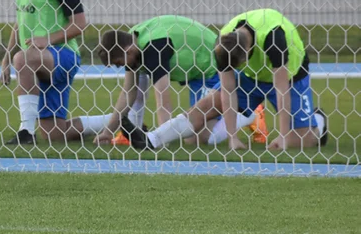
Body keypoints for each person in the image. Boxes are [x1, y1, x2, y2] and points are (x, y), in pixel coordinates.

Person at [123, 9, 329, 152]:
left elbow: (281, 89)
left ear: (249, 52)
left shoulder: (275, 39)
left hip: (290, 78)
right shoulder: (225, 41)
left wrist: (283, 136)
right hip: (250, 78)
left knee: (304, 140)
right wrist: (233, 138)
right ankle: (152, 139)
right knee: (199, 130)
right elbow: (229, 91)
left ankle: (318, 119)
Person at [0, 0, 107, 145]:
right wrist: (5, 59)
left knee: (24, 58)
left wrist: (46, 40)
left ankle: (25, 131)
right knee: (54, 134)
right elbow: (19, 23)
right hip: (39, 61)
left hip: (62, 56)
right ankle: (116, 121)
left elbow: (80, 24)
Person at [94, 16, 255, 147]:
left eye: (118, 63)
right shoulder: (131, 42)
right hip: (194, 73)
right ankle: (239, 111)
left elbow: (163, 99)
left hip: (212, 67)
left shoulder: (153, 49)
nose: (120, 66)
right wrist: (108, 131)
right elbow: (129, 92)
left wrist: (161, 140)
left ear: (127, 50)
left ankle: (248, 114)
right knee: (192, 137)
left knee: (201, 138)